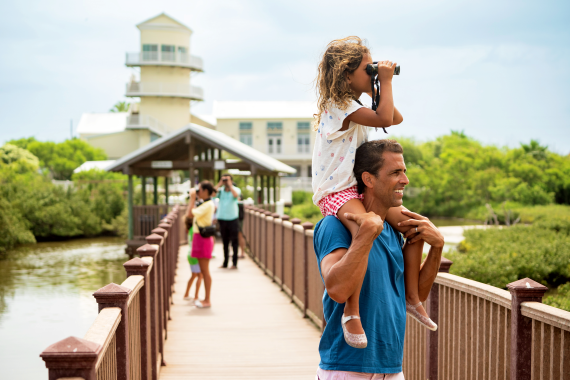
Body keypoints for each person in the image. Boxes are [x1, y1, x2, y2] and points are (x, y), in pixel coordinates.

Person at [312, 37, 435, 350]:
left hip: (351, 186)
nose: (374, 73)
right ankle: (351, 312)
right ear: (347, 73)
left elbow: (394, 118)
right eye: (368, 69)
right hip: (336, 189)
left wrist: (376, 87)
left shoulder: (354, 105)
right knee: (365, 229)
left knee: (412, 225)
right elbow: (384, 119)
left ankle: (411, 297)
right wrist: (385, 80)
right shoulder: (338, 106)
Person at [314, 139, 444, 378]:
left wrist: (437, 246)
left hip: (392, 369)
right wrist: (365, 233)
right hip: (347, 368)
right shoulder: (333, 226)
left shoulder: (394, 230)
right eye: (395, 173)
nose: (405, 180)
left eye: (404, 172)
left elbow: (413, 295)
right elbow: (338, 289)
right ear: (369, 180)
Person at [187, 181, 217, 308]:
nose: (198, 192)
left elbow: (189, 214)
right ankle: (206, 299)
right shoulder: (205, 204)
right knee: (203, 271)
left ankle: (207, 300)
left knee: (205, 272)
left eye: (199, 190)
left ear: (205, 191)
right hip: (199, 238)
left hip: (203, 240)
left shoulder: (208, 204)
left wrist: (192, 198)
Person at [214, 174, 241, 269]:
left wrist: (230, 185)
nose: (225, 181)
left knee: (234, 241)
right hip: (222, 218)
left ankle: (234, 263)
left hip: (233, 218)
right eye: (224, 179)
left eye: (227, 179)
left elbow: (236, 195)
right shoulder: (220, 191)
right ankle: (225, 263)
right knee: (225, 242)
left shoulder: (235, 189)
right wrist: (220, 183)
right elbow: (212, 194)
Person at [183, 198, 203, 302]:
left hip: (189, 254)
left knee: (194, 275)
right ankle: (196, 297)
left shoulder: (189, 230)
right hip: (195, 255)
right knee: (200, 276)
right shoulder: (195, 230)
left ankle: (186, 294)